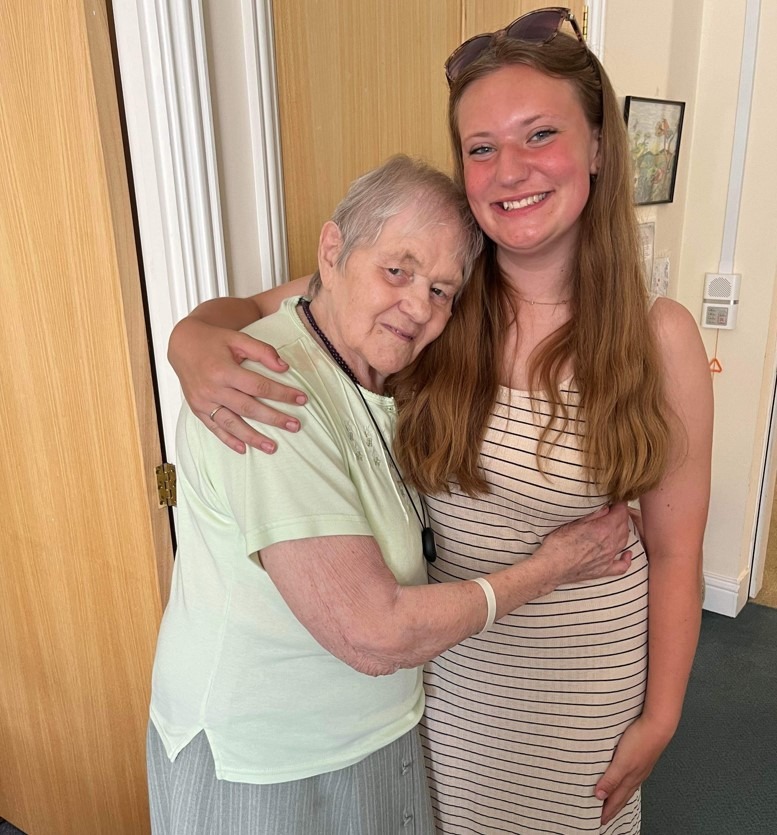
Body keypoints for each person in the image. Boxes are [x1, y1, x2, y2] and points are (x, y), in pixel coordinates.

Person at [166, 9, 713, 834]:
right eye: (481, 147)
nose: (509, 169)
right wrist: (190, 341)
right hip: (444, 684)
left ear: (599, 147)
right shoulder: (430, 300)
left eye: (539, 134)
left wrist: (662, 716)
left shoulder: (657, 334)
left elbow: (675, 550)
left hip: (582, 685)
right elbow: (252, 310)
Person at [149, 153, 635, 835]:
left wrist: (188, 330)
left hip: (375, 729)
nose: (417, 306)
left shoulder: (379, 367)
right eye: (397, 270)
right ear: (332, 250)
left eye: (442, 289)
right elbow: (372, 632)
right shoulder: (267, 390)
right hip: (263, 757)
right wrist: (553, 566)